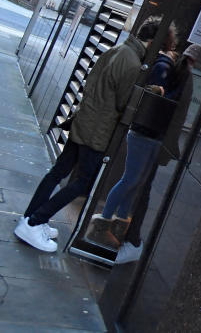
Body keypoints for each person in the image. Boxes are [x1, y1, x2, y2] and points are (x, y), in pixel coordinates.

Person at [14, 16, 161, 252]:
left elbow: (92, 79)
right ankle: (35, 221)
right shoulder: (132, 63)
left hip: (84, 120)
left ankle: (29, 218)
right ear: (152, 41)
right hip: (97, 129)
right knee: (83, 182)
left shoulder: (118, 49)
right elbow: (124, 103)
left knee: (58, 172)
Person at [112, 42, 198, 264]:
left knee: (138, 189)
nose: (187, 64)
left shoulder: (183, 78)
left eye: (190, 60)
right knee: (139, 189)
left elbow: (176, 117)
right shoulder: (180, 77)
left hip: (155, 140)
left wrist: (164, 149)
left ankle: (131, 241)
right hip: (153, 139)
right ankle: (128, 239)